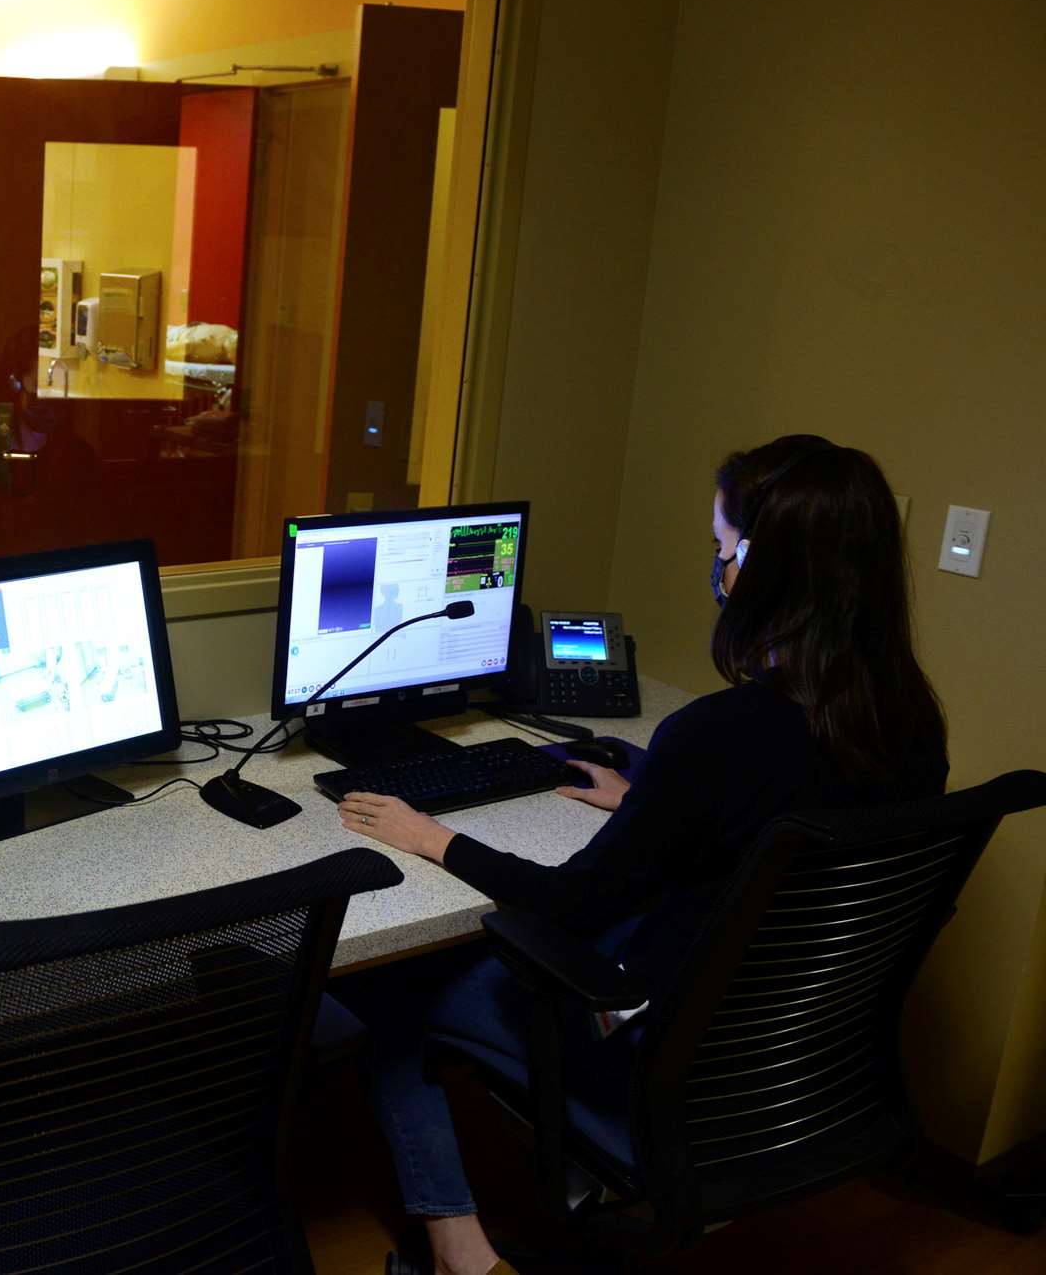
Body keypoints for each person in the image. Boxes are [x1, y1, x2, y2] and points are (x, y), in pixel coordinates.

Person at [337, 435, 948, 1275]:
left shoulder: (720, 733)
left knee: (390, 994)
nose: (718, 568)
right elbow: (785, 827)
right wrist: (653, 803)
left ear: (761, 566)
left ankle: (461, 1259)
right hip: (779, 1059)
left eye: (722, 547)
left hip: (645, 1040)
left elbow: (568, 904)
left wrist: (430, 835)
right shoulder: (909, 721)